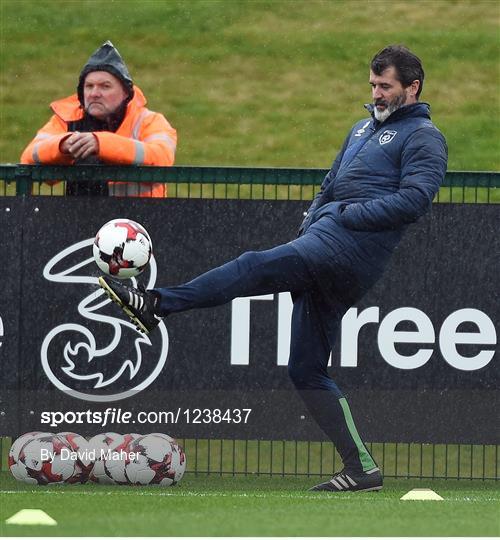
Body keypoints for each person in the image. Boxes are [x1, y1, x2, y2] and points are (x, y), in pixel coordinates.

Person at [99, 45, 448, 492]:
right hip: (324, 242)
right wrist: (316, 215)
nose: (377, 94)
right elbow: (331, 183)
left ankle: (154, 304)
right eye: (373, 86)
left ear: (412, 87)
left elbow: (415, 201)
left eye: (386, 87)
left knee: (252, 266)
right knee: (305, 370)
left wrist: (344, 218)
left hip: (348, 252)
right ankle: (362, 469)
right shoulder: (361, 128)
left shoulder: (424, 136)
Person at [20, 41, 177, 197]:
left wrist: (101, 143)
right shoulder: (65, 120)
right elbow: (28, 158)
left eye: (105, 86)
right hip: (79, 218)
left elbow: (162, 158)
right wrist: (63, 146)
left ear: (126, 94)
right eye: (89, 86)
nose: (94, 93)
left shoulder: (149, 120)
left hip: (140, 219)